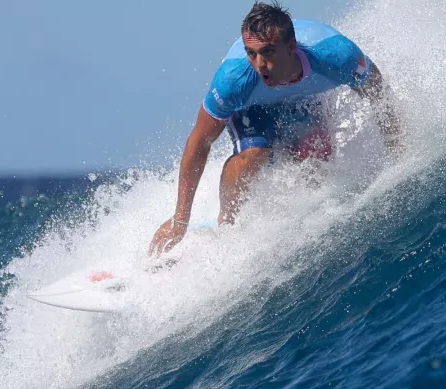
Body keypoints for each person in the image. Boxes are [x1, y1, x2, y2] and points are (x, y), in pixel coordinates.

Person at [149, 1, 402, 256]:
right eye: (251, 53)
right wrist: (179, 222)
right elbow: (199, 142)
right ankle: (226, 225)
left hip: (305, 97)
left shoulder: (336, 56)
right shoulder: (235, 80)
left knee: (315, 164)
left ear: (291, 47)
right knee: (255, 153)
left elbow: (378, 95)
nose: (259, 64)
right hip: (252, 106)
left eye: (268, 52)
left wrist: (398, 155)